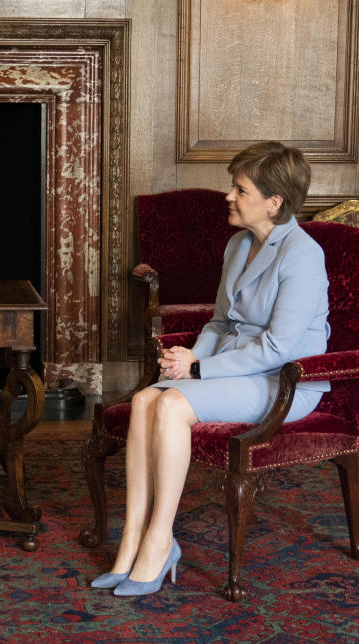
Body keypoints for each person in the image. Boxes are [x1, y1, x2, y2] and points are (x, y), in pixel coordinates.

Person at [92, 142, 330, 596]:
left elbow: (278, 347)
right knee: (145, 399)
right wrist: (192, 359)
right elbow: (220, 322)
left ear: (274, 202)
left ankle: (161, 542)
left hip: (283, 382)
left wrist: (200, 372)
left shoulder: (303, 255)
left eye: (239, 189)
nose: (228, 196)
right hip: (232, 369)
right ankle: (131, 541)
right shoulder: (239, 244)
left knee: (172, 407)